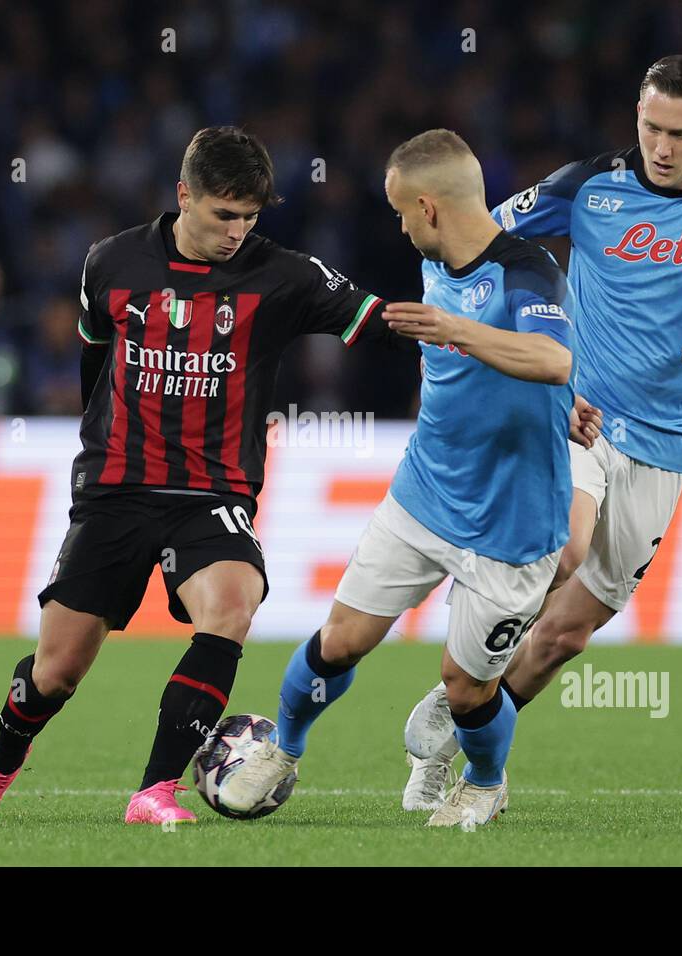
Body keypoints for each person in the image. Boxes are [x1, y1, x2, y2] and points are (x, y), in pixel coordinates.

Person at [0, 126, 407, 825]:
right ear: (184, 195)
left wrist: (479, 337)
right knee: (56, 672)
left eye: (250, 216)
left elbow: (387, 322)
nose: (237, 231)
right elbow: (95, 364)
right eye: (225, 214)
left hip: (212, 491)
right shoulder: (111, 261)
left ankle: (155, 790)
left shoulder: (284, 276)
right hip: (117, 488)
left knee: (233, 606)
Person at [400, 55, 682, 811]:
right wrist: (470, 324)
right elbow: (478, 236)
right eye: (652, 127)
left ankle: (456, 724)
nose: (663, 147)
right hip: (579, 414)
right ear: (637, 116)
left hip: (665, 441)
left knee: (563, 638)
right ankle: (470, 693)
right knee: (564, 548)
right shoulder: (588, 186)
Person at [217, 129, 579, 827]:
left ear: (428, 207)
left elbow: (552, 358)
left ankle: (484, 780)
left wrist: (454, 330)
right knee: (340, 639)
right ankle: (281, 751)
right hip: (425, 493)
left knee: (465, 689)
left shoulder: (526, 271)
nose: (400, 226)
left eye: (401, 212)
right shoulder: (437, 258)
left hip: (513, 518)